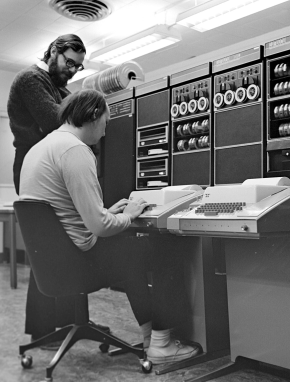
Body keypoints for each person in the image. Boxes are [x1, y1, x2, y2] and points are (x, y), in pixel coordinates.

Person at [19, 89, 199, 364]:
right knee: (166, 245)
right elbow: (101, 228)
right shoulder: (75, 150)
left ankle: (151, 337)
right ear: (92, 116)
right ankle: (162, 345)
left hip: (55, 264)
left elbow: (63, 212)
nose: (104, 132)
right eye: (105, 123)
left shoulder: (41, 148)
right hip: (80, 262)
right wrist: (129, 215)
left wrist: (107, 212)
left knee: (130, 252)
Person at [7, 34, 109, 347]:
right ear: (54, 51)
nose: (72, 71)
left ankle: (70, 321)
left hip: (56, 164)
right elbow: (56, 121)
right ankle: (43, 330)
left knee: (69, 242)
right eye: (69, 62)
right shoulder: (30, 79)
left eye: (78, 67)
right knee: (48, 248)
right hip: (36, 166)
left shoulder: (60, 88)